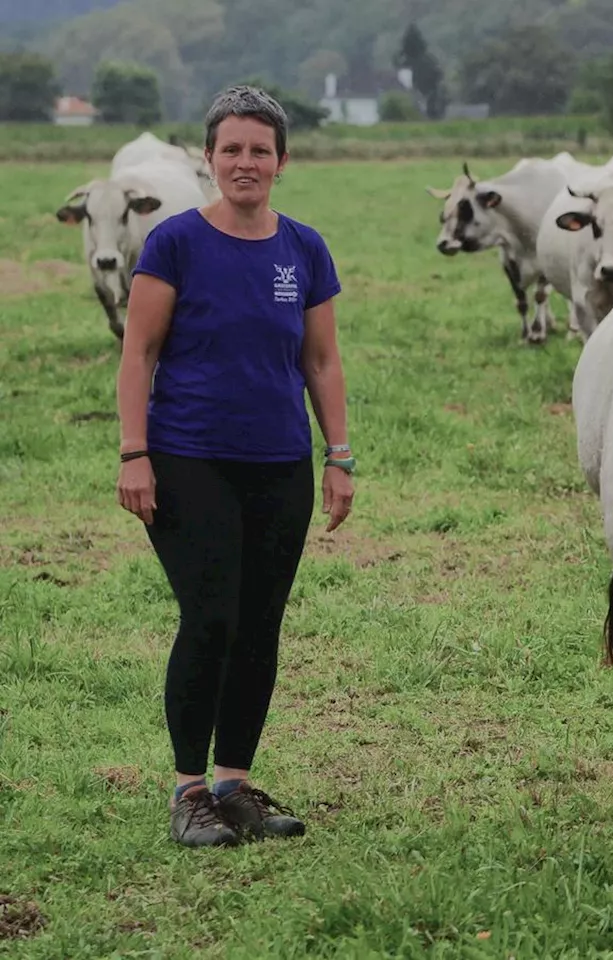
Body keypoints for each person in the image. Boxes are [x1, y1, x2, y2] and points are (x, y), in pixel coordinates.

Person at [115, 85, 356, 848]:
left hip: (279, 462)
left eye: (260, 150)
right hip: (188, 460)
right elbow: (138, 353)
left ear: (281, 160)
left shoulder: (304, 248)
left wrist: (338, 457)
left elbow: (321, 360)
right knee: (211, 616)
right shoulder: (176, 243)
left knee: (259, 625)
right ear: (210, 158)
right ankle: (189, 792)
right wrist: (134, 452)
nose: (245, 162)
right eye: (231, 150)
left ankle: (234, 784)